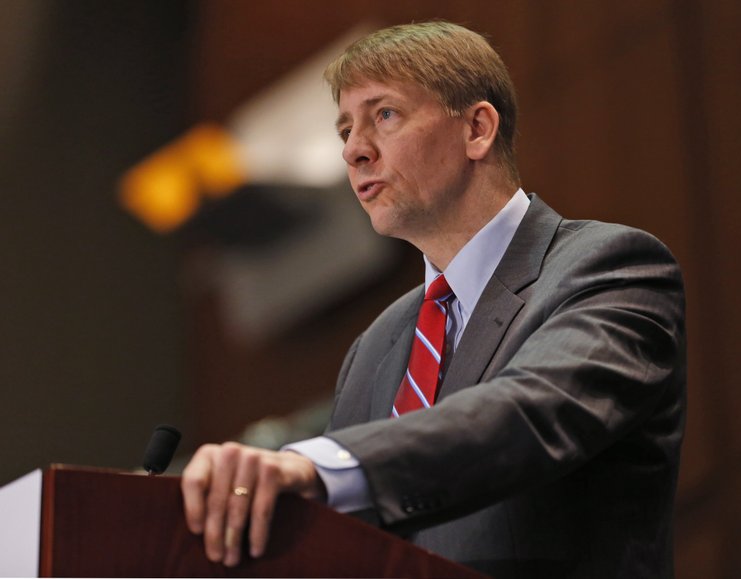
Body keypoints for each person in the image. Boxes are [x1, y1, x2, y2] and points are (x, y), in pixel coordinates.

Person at [181, 21, 686, 578]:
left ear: (477, 128)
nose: (353, 150)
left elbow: (527, 414)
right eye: (345, 128)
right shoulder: (376, 348)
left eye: (384, 115)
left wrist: (315, 465)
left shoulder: (608, 266)